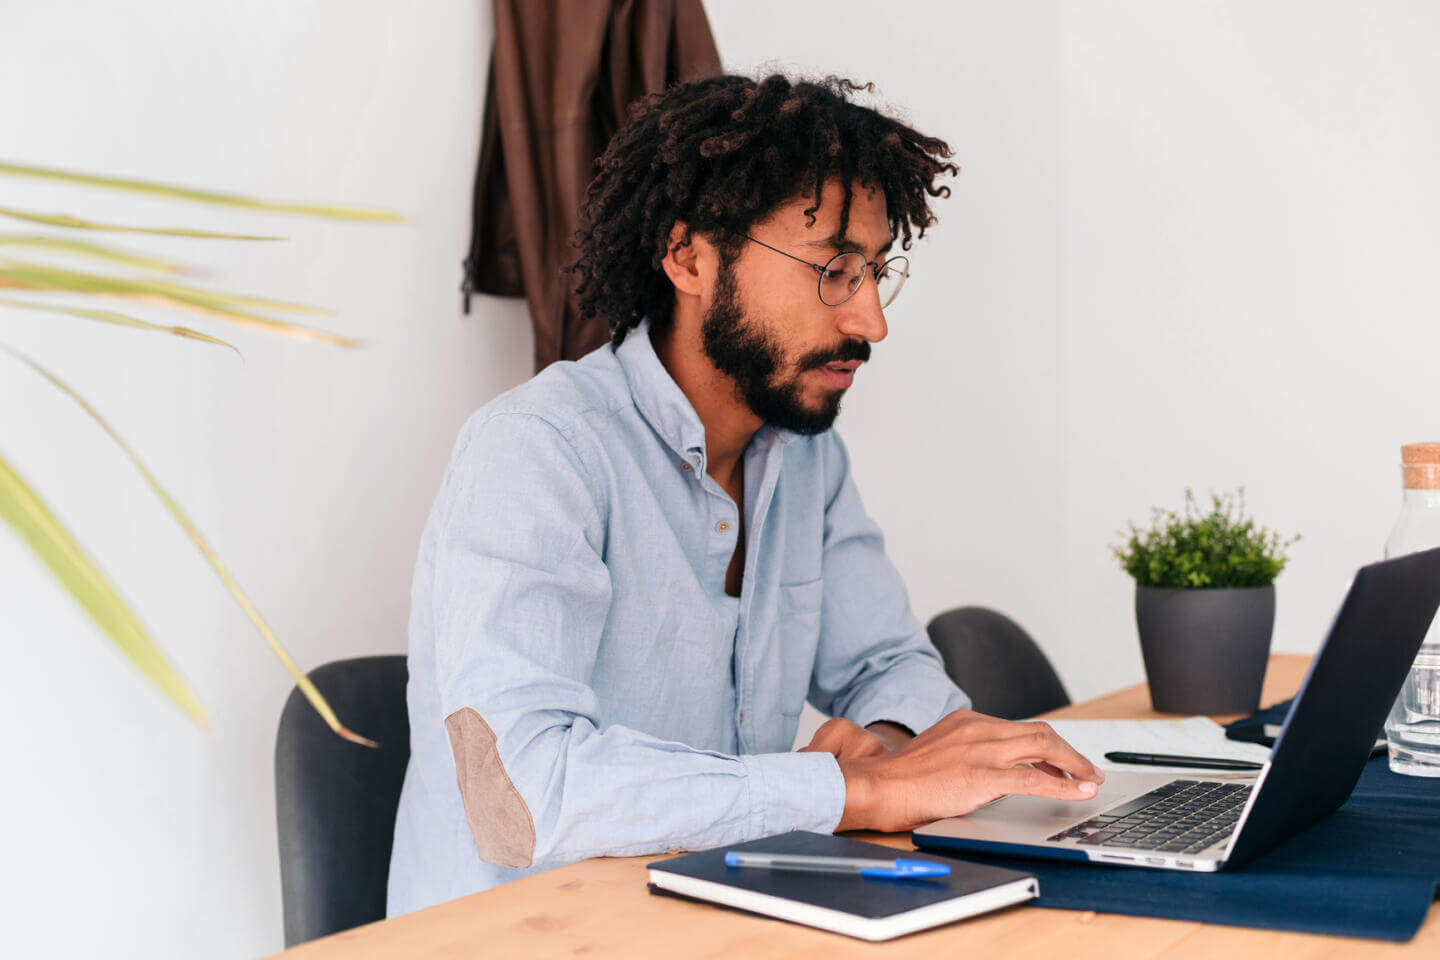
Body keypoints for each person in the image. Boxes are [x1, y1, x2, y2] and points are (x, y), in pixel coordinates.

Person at [386, 73, 1103, 916]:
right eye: (834, 268)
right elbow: (525, 793)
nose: (871, 320)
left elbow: (890, 667)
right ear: (690, 257)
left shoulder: (804, 456)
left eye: (875, 270)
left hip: (723, 918)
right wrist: (852, 793)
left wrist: (889, 745)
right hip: (531, 935)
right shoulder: (538, 452)